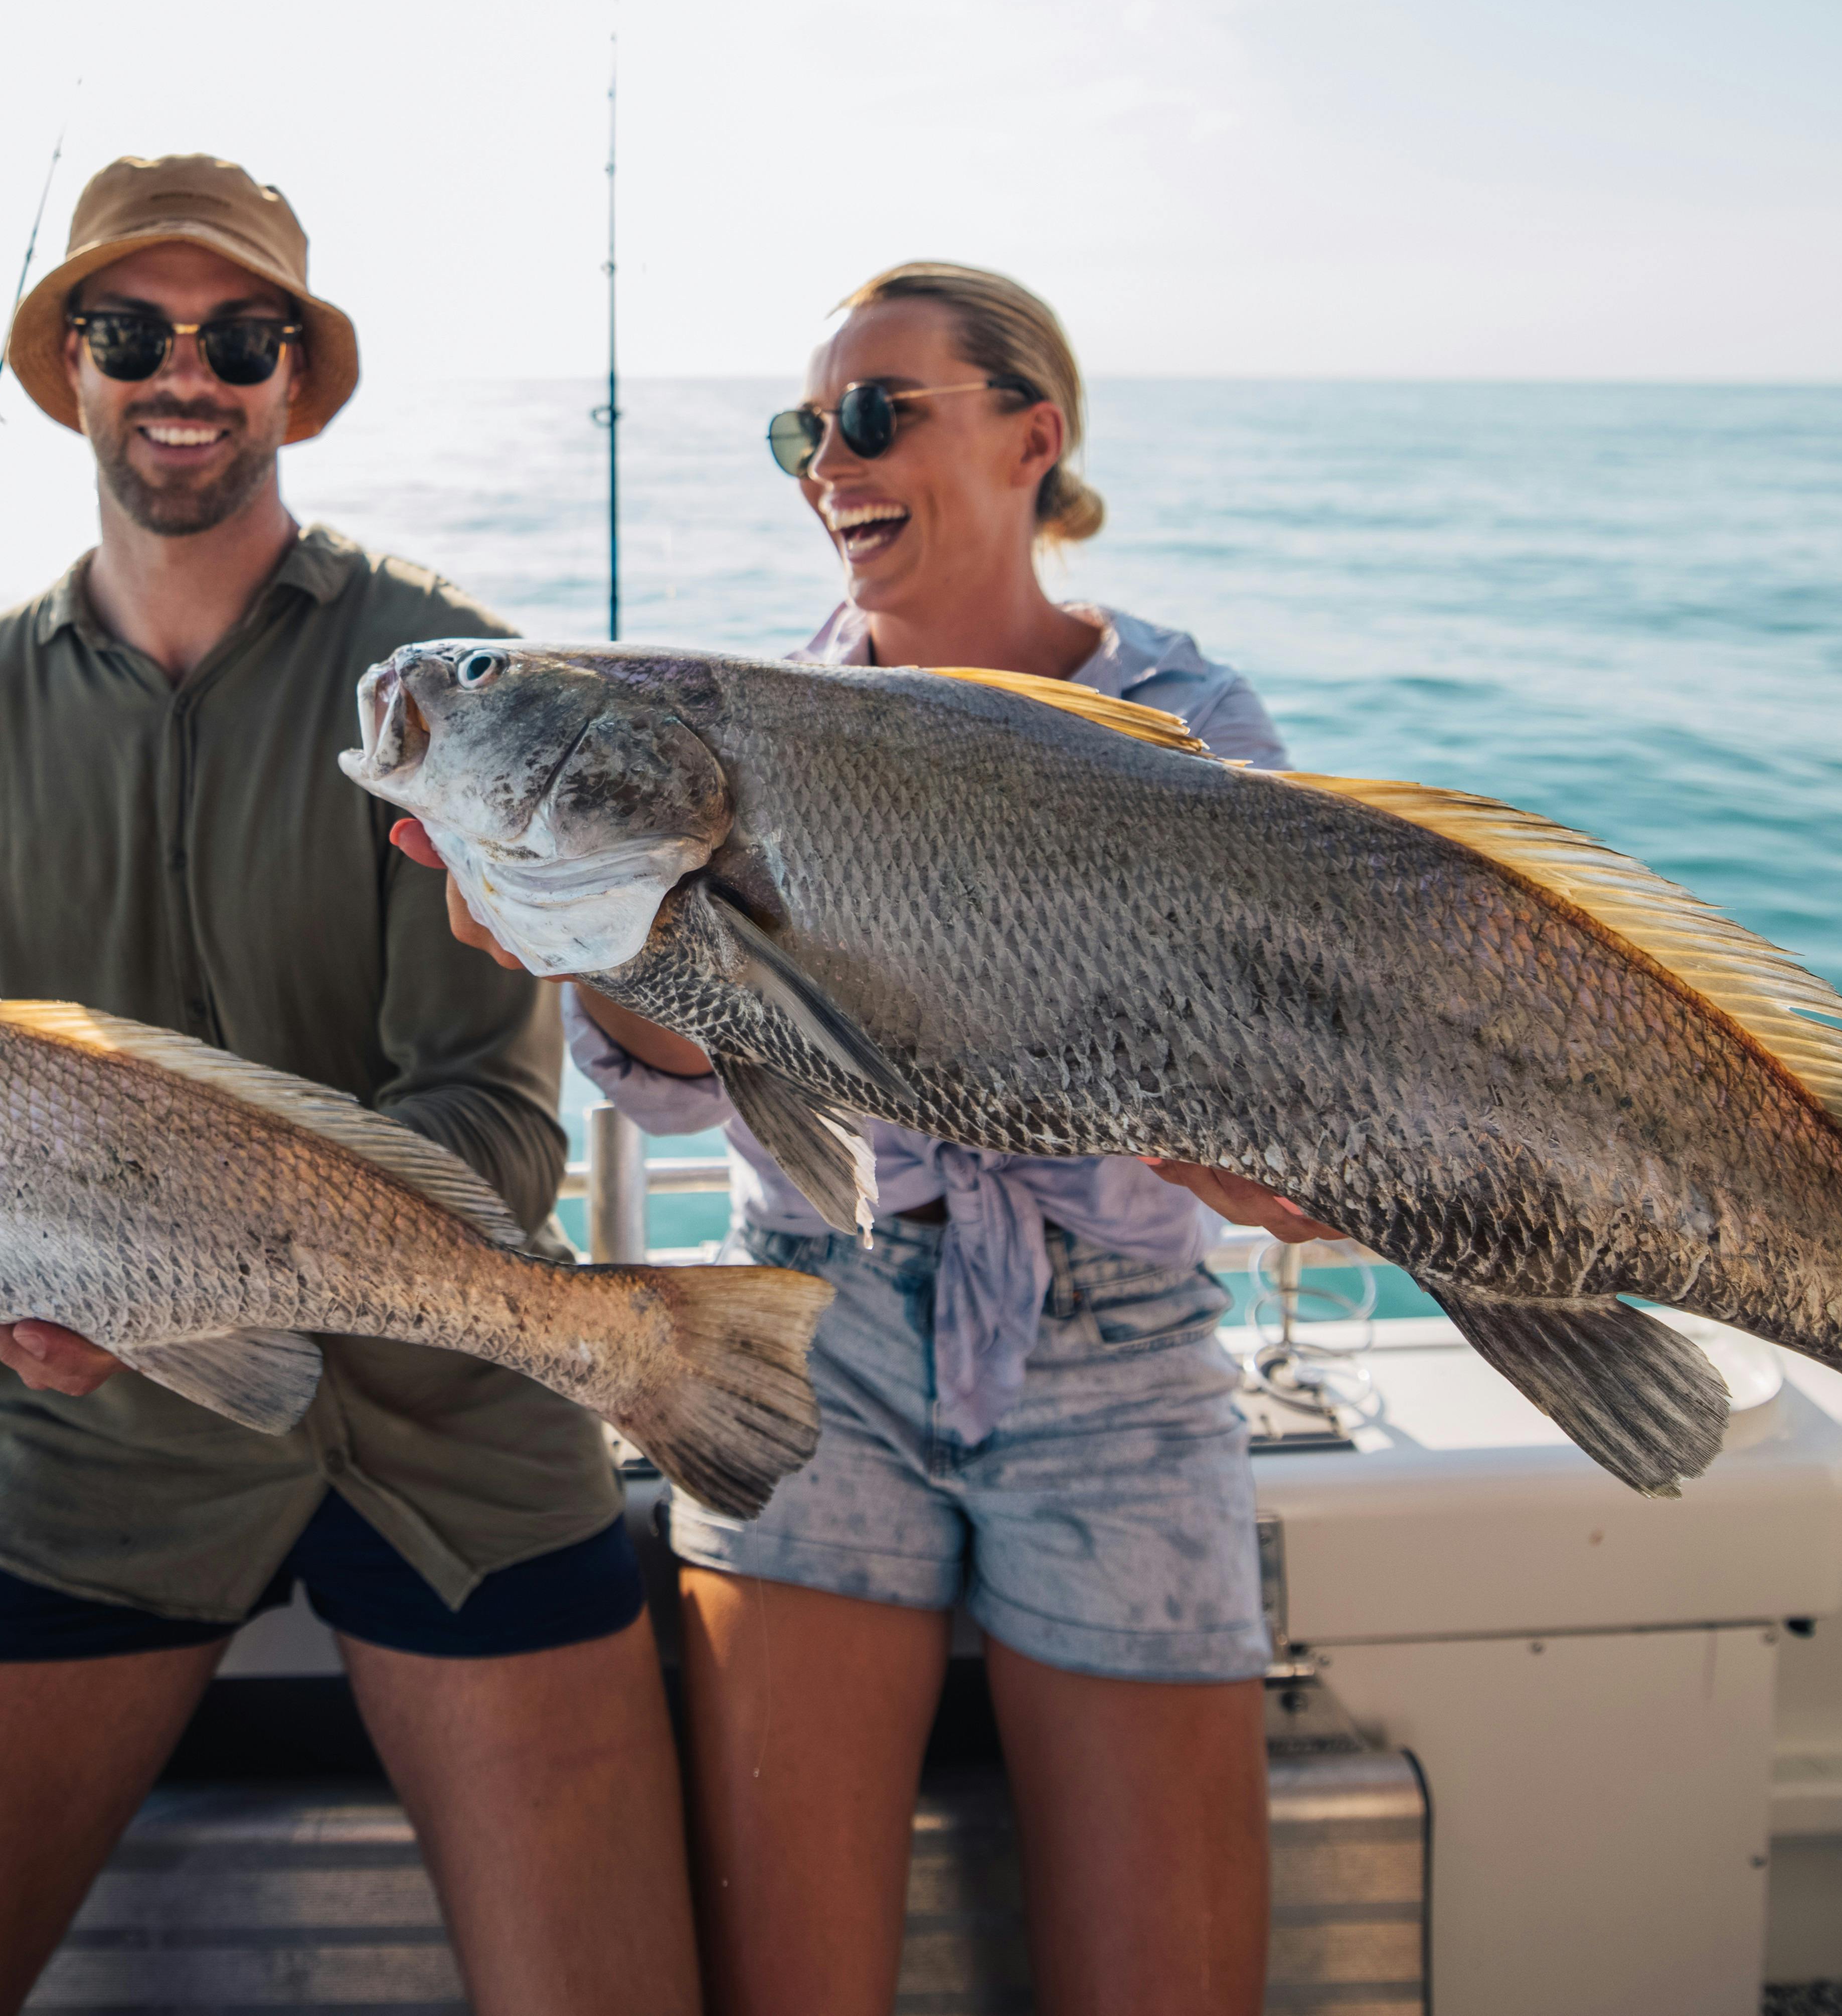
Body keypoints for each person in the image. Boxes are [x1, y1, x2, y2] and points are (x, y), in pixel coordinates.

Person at [0, 157, 701, 2016]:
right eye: (131, 332)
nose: (186, 373)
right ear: (72, 373)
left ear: (293, 382)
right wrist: (20, 1300)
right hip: (88, 1454)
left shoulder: (450, 691)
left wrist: (174, 1279)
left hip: (461, 1422)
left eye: (237, 336)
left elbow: (496, 1120)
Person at [401, 260, 1333, 2016]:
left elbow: (1274, 1097)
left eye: (877, 413)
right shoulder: (725, 736)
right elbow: (684, 1087)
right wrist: (593, 932)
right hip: (816, 1333)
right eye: (804, 431)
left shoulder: (1191, 730)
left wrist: (1282, 1164)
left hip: (1122, 1354)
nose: (832, 459)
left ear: (1034, 436)